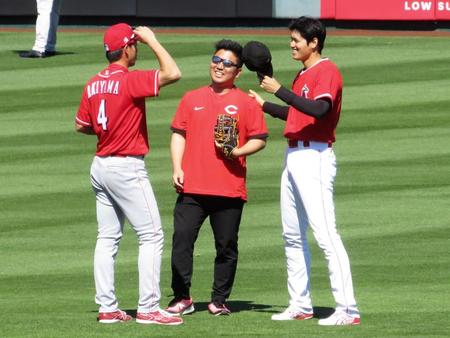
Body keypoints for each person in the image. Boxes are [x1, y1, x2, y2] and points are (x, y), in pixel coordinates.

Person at [249, 16, 360, 326]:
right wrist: (265, 105)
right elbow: (298, 113)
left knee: (326, 234)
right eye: (291, 38)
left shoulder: (327, 71)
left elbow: (319, 110)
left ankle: (348, 309)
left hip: (316, 156)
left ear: (314, 43)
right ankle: (300, 304)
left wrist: (278, 89)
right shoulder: (304, 74)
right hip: (294, 156)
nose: (291, 44)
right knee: (292, 235)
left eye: (297, 39)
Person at [75, 23, 183, 325]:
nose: (137, 47)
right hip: (125, 167)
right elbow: (173, 73)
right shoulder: (129, 80)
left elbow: (82, 125)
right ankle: (148, 308)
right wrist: (153, 40)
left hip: (100, 165)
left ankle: (107, 307)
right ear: (127, 49)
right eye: (135, 44)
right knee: (151, 235)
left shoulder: (93, 82)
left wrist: (110, 130)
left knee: (107, 237)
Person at [165, 39, 268, 316]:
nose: (219, 66)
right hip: (192, 186)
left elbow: (260, 139)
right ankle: (182, 297)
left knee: (226, 246)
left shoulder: (246, 102)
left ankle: (219, 300)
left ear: (238, 71)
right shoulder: (192, 97)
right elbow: (178, 134)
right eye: (216, 60)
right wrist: (177, 167)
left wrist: (237, 151)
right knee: (182, 241)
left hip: (229, 187)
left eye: (227, 64)